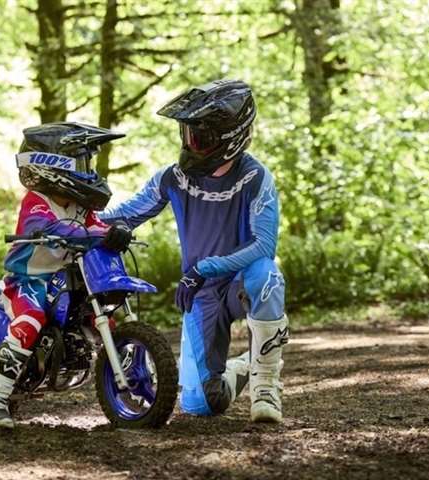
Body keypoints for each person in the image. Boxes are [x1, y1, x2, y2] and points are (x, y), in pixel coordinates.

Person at [100, 79, 288, 422]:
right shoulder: (173, 177)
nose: (189, 143)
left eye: (199, 136)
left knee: (267, 276)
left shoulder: (256, 178)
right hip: (200, 294)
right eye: (186, 134)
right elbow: (126, 213)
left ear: (229, 138)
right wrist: (70, 222)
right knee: (200, 405)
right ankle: (246, 365)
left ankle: (266, 384)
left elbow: (264, 245)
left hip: (238, 281)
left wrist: (204, 268)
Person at [0, 122, 133, 430]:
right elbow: (47, 226)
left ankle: (126, 370)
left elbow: (94, 226)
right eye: (82, 163)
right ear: (54, 167)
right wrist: (94, 233)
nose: (89, 170)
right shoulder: (36, 202)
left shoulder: (79, 205)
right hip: (30, 280)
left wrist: (116, 231)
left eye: (89, 163)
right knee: (30, 320)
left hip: (69, 277)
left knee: (101, 317)